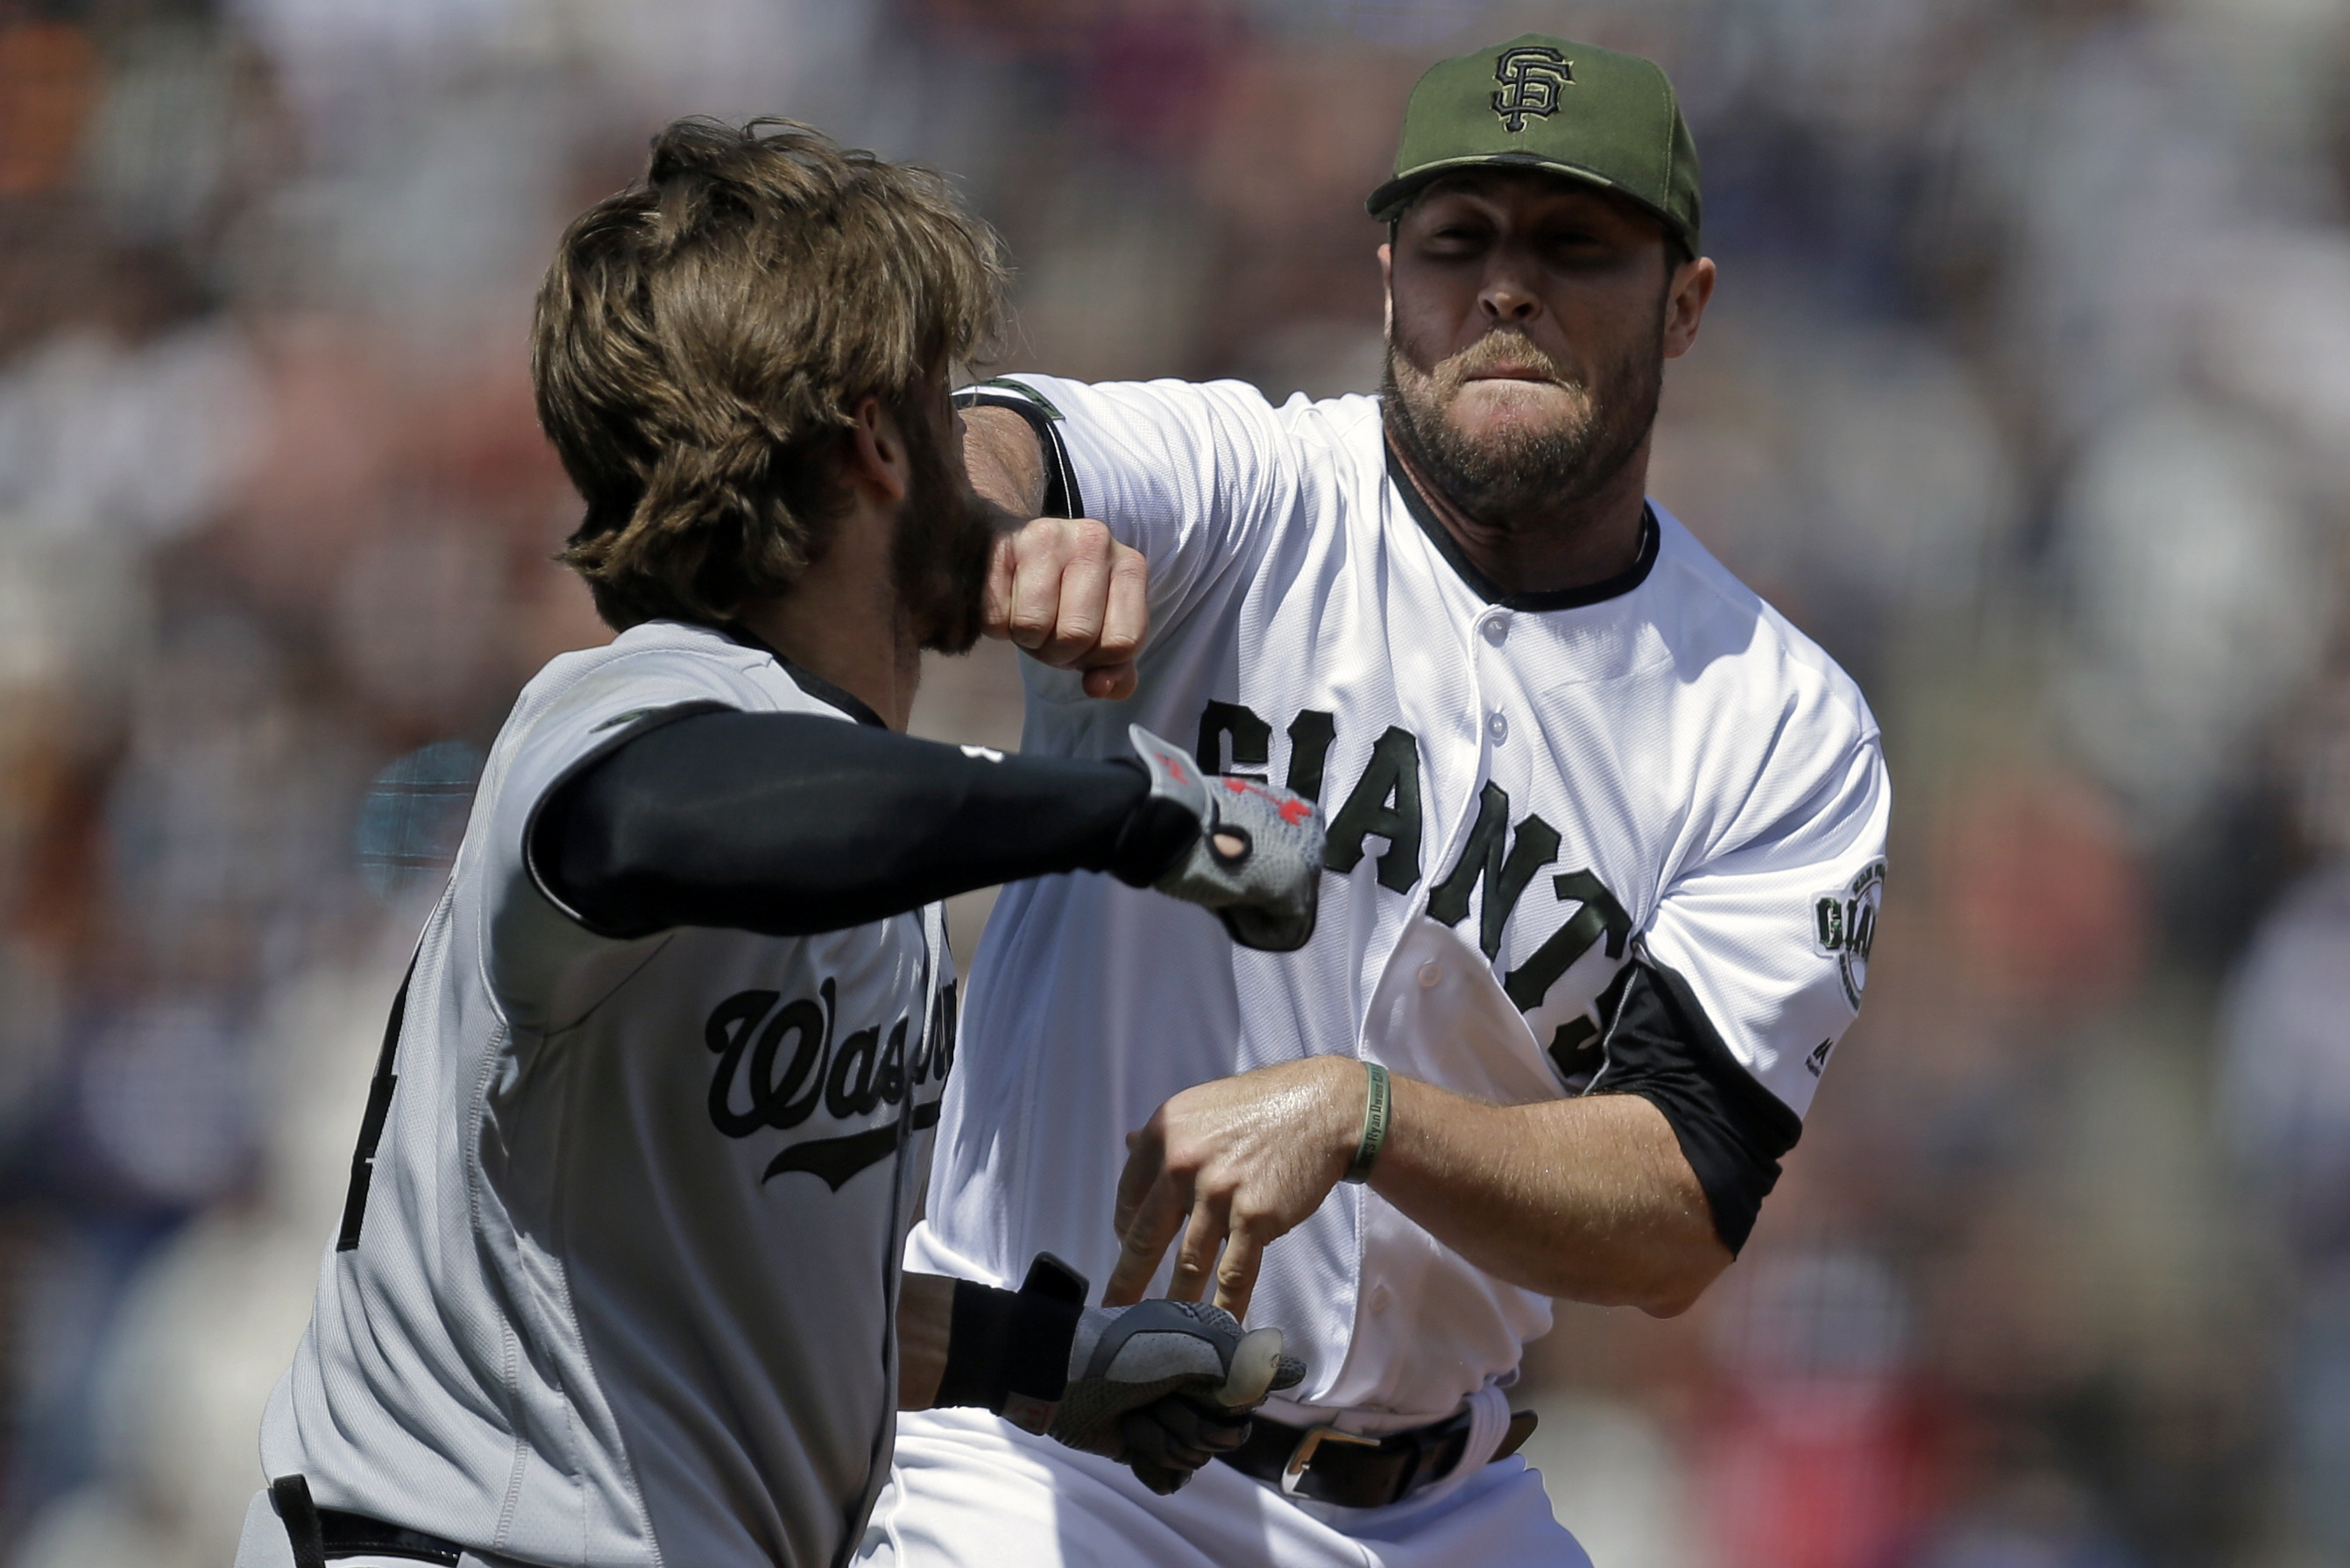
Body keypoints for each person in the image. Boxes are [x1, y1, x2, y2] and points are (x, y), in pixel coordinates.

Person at [232, 119, 1323, 1568]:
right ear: (878, 437)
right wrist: (1131, 813)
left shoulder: (850, 819)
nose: (977, 466)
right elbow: (660, 817)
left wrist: (1049, 1361)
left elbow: (735, 1294)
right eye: (946, 410)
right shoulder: (627, 710)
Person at [868, 33, 1892, 1568]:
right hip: (1034, 1459)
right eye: (1455, 241)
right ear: (1389, 276)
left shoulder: (1775, 720)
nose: (1504, 289)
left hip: (1435, 1501)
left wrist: (1366, 1118)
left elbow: (1681, 1204)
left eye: (1574, 245)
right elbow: (999, 434)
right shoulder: (1255, 495)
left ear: (1683, 304)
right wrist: (1004, 519)